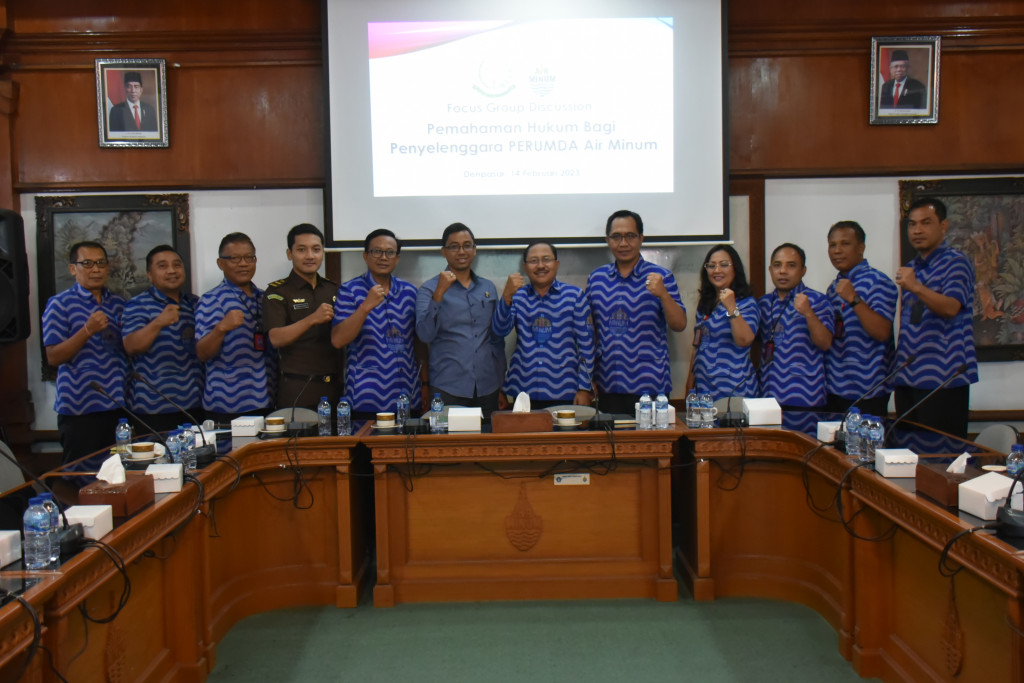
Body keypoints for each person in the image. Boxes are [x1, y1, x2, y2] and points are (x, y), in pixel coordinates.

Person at [586, 210, 686, 415]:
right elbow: (590, 330)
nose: (623, 243)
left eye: (630, 236)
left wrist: (663, 295)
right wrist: (588, 377)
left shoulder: (661, 277)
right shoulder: (596, 279)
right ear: (607, 240)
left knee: (652, 437)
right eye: (616, 236)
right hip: (607, 383)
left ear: (641, 238)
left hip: (650, 384)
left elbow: (679, 324)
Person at [894, 197, 978, 439]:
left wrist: (915, 286)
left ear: (944, 226)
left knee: (940, 456)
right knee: (907, 454)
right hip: (909, 377)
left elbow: (951, 307)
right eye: (912, 224)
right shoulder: (913, 268)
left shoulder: (956, 262)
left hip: (943, 379)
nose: (917, 230)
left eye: (926, 222)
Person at [42, 241, 128, 465]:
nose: (96, 269)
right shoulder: (59, 304)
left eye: (101, 263)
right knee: (81, 477)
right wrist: (87, 330)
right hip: (79, 409)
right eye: (87, 264)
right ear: (73, 269)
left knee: (121, 474)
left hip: (117, 405)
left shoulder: (119, 304)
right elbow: (54, 357)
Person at [415, 223, 506, 417]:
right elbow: (424, 335)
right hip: (448, 387)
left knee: (488, 437)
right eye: (454, 246)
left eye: (467, 245)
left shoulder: (488, 287)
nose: (461, 252)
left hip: (488, 386)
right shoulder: (429, 289)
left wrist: (501, 383)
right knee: (449, 437)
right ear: (444, 252)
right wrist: (439, 294)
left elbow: (496, 339)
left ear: (474, 250)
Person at [492, 240, 595, 409]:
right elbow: (498, 331)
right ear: (525, 267)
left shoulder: (575, 296)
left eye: (546, 259)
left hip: (565, 390)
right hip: (522, 391)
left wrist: (584, 388)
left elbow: (587, 346)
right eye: (534, 261)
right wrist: (506, 297)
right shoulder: (518, 296)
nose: (540, 265)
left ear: (556, 264)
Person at [332, 228, 422, 418]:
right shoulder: (349, 290)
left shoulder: (410, 292)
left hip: (408, 395)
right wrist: (365, 306)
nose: (383, 257)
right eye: (376, 251)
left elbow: (419, 343)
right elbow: (338, 340)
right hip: (365, 397)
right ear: (365, 256)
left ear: (397, 258)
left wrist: (426, 385)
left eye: (390, 252)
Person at [196, 233, 276, 424]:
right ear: (220, 263)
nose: (243, 264)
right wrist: (221, 328)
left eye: (249, 257)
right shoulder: (211, 300)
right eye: (235, 258)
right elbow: (202, 353)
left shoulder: (265, 297)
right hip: (227, 403)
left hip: (267, 397)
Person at [122, 245, 203, 433]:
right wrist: (158, 322)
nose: (172, 271)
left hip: (195, 404)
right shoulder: (137, 304)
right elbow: (131, 346)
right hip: (153, 406)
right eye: (162, 266)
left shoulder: (194, 303)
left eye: (177, 265)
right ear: (149, 274)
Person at [262, 224, 343, 410]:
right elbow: (275, 338)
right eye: (301, 250)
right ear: (289, 254)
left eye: (316, 249)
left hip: (335, 387)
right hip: (298, 388)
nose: (310, 256)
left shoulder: (333, 289)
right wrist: (311, 319)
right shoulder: (278, 292)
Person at [824, 221, 898, 417]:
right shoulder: (833, 288)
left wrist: (853, 299)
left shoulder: (878, 282)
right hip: (834, 387)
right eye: (832, 245)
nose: (837, 250)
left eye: (845, 244)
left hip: (868, 389)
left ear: (861, 248)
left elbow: (882, 332)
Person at [758, 243, 834, 409]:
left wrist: (808, 313)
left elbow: (825, 343)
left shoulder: (817, 301)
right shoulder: (763, 303)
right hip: (768, 397)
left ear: (803, 270)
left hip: (806, 396)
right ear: (770, 270)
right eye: (777, 265)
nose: (783, 271)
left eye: (791, 265)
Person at [686, 244, 758, 401]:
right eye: (711, 266)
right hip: (704, 389)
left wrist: (731, 307)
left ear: (735, 269)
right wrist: (690, 386)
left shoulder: (747, 303)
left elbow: (744, 340)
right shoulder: (705, 303)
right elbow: (697, 345)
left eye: (724, 265)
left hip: (734, 390)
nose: (717, 270)